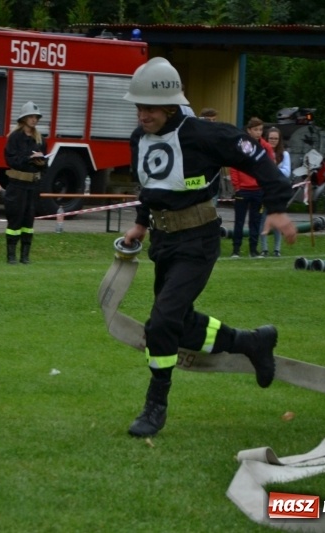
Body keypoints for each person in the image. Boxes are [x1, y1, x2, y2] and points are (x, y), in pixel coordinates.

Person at [120, 57, 296, 438]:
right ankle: (251, 342)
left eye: (149, 107)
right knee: (178, 323)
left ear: (169, 105)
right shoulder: (139, 139)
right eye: (139, 106)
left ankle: (155, 403)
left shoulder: (204, 135)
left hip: (198, 242)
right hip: (164, 243)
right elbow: (151, 186)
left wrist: (279, 208)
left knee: (162, 322)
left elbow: (258, 157)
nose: (142, 114)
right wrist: (139, 223)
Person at [3, 101, 47, 264]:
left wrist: (42, 163)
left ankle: (25, 256)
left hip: (33, 186)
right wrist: (29, 159)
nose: (34, 119)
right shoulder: (14, 138)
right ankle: (11, 256)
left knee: (29, 221)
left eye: (36, 117)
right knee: (15, 219)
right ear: (24, 118)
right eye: (31, 116)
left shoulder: (40, 139)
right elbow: (11, 160)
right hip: (17, 185)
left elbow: (45, 164)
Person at [229, 117, 272, 258]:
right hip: (243, 190)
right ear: (249, 130)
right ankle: (236, 250)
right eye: (255, 130)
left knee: (256, 221)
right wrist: (237, 186)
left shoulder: (266, 147)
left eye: (260, 130)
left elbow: (270, 167)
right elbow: (233, 165)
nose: (258, 133)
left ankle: (253, 250)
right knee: (239, 221)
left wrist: (265, 185)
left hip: (258, 190)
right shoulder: (241, 145)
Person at [258, 127, 291, 257]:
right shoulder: (263, 152)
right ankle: (264, 248)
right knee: (263, 219)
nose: (273, 141)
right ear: (267, 138)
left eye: (276, 138)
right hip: (264, 189)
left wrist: (272, 170)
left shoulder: (285, 154)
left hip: (278, 191)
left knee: (278, 220)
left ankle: (277, 249)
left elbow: (287, 172)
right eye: (271, 138)